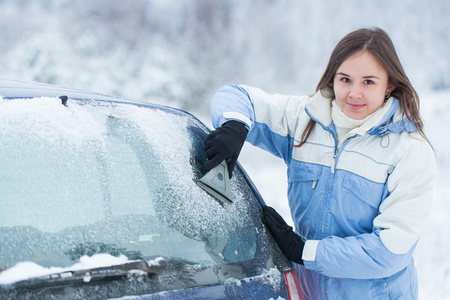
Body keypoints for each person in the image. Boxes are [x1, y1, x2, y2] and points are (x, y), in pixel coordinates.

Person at [203, 27, 436, 299]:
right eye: (345, 79)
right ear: (332, 78)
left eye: (369, 82)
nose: (354, 93)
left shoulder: (409, 151)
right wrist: (234, 126)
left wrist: (303, 251)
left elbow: (390, 251)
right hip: (308, 292)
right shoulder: (305, 121)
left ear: (390, 85)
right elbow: (235, 96)